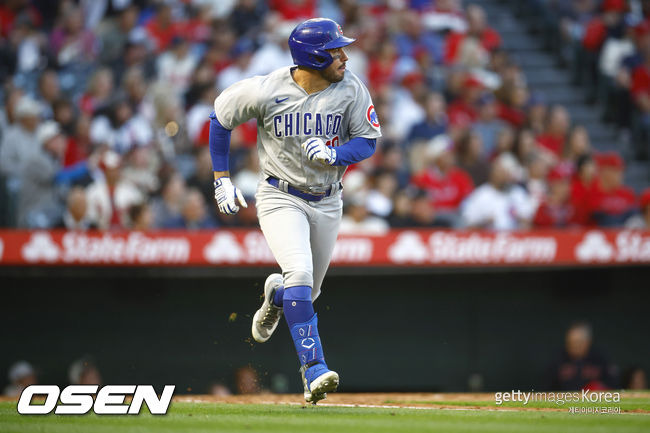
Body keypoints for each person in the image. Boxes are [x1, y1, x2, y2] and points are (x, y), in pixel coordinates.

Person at [208, 18, 380, 404]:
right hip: (279, 195)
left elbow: (367, 142)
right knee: (301, 271)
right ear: (314, 55)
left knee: (308, 291)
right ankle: (314, 369)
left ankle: (277, 296)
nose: (344, 56)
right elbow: (219, 118)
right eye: (336, 50)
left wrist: (336, 153)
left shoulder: (351, 88)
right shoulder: (268, 88)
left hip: (327, 199)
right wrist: (221, 178)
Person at [547, 322, 618, 390]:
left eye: (578, 342)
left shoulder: (600, 359)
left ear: (588, 342)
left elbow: (613, 385)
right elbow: (547, 388)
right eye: (570, 342)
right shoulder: (558, 359)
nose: (574, 346)